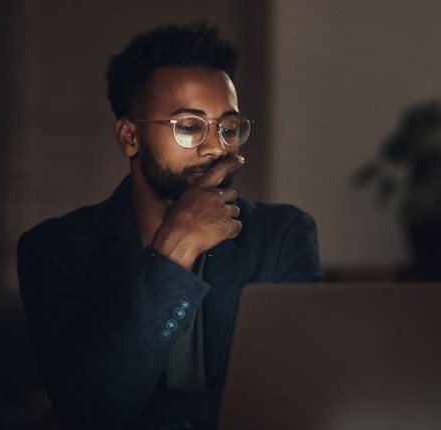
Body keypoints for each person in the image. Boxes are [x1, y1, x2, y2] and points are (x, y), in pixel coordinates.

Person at [17, 22, 323, 430]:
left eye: (228, 128)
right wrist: (174, 251)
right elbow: (91, 411)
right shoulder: (55, 250)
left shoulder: (282, 236)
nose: (216, 146)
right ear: (129, 137)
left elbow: (291, 405)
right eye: (190, 126)